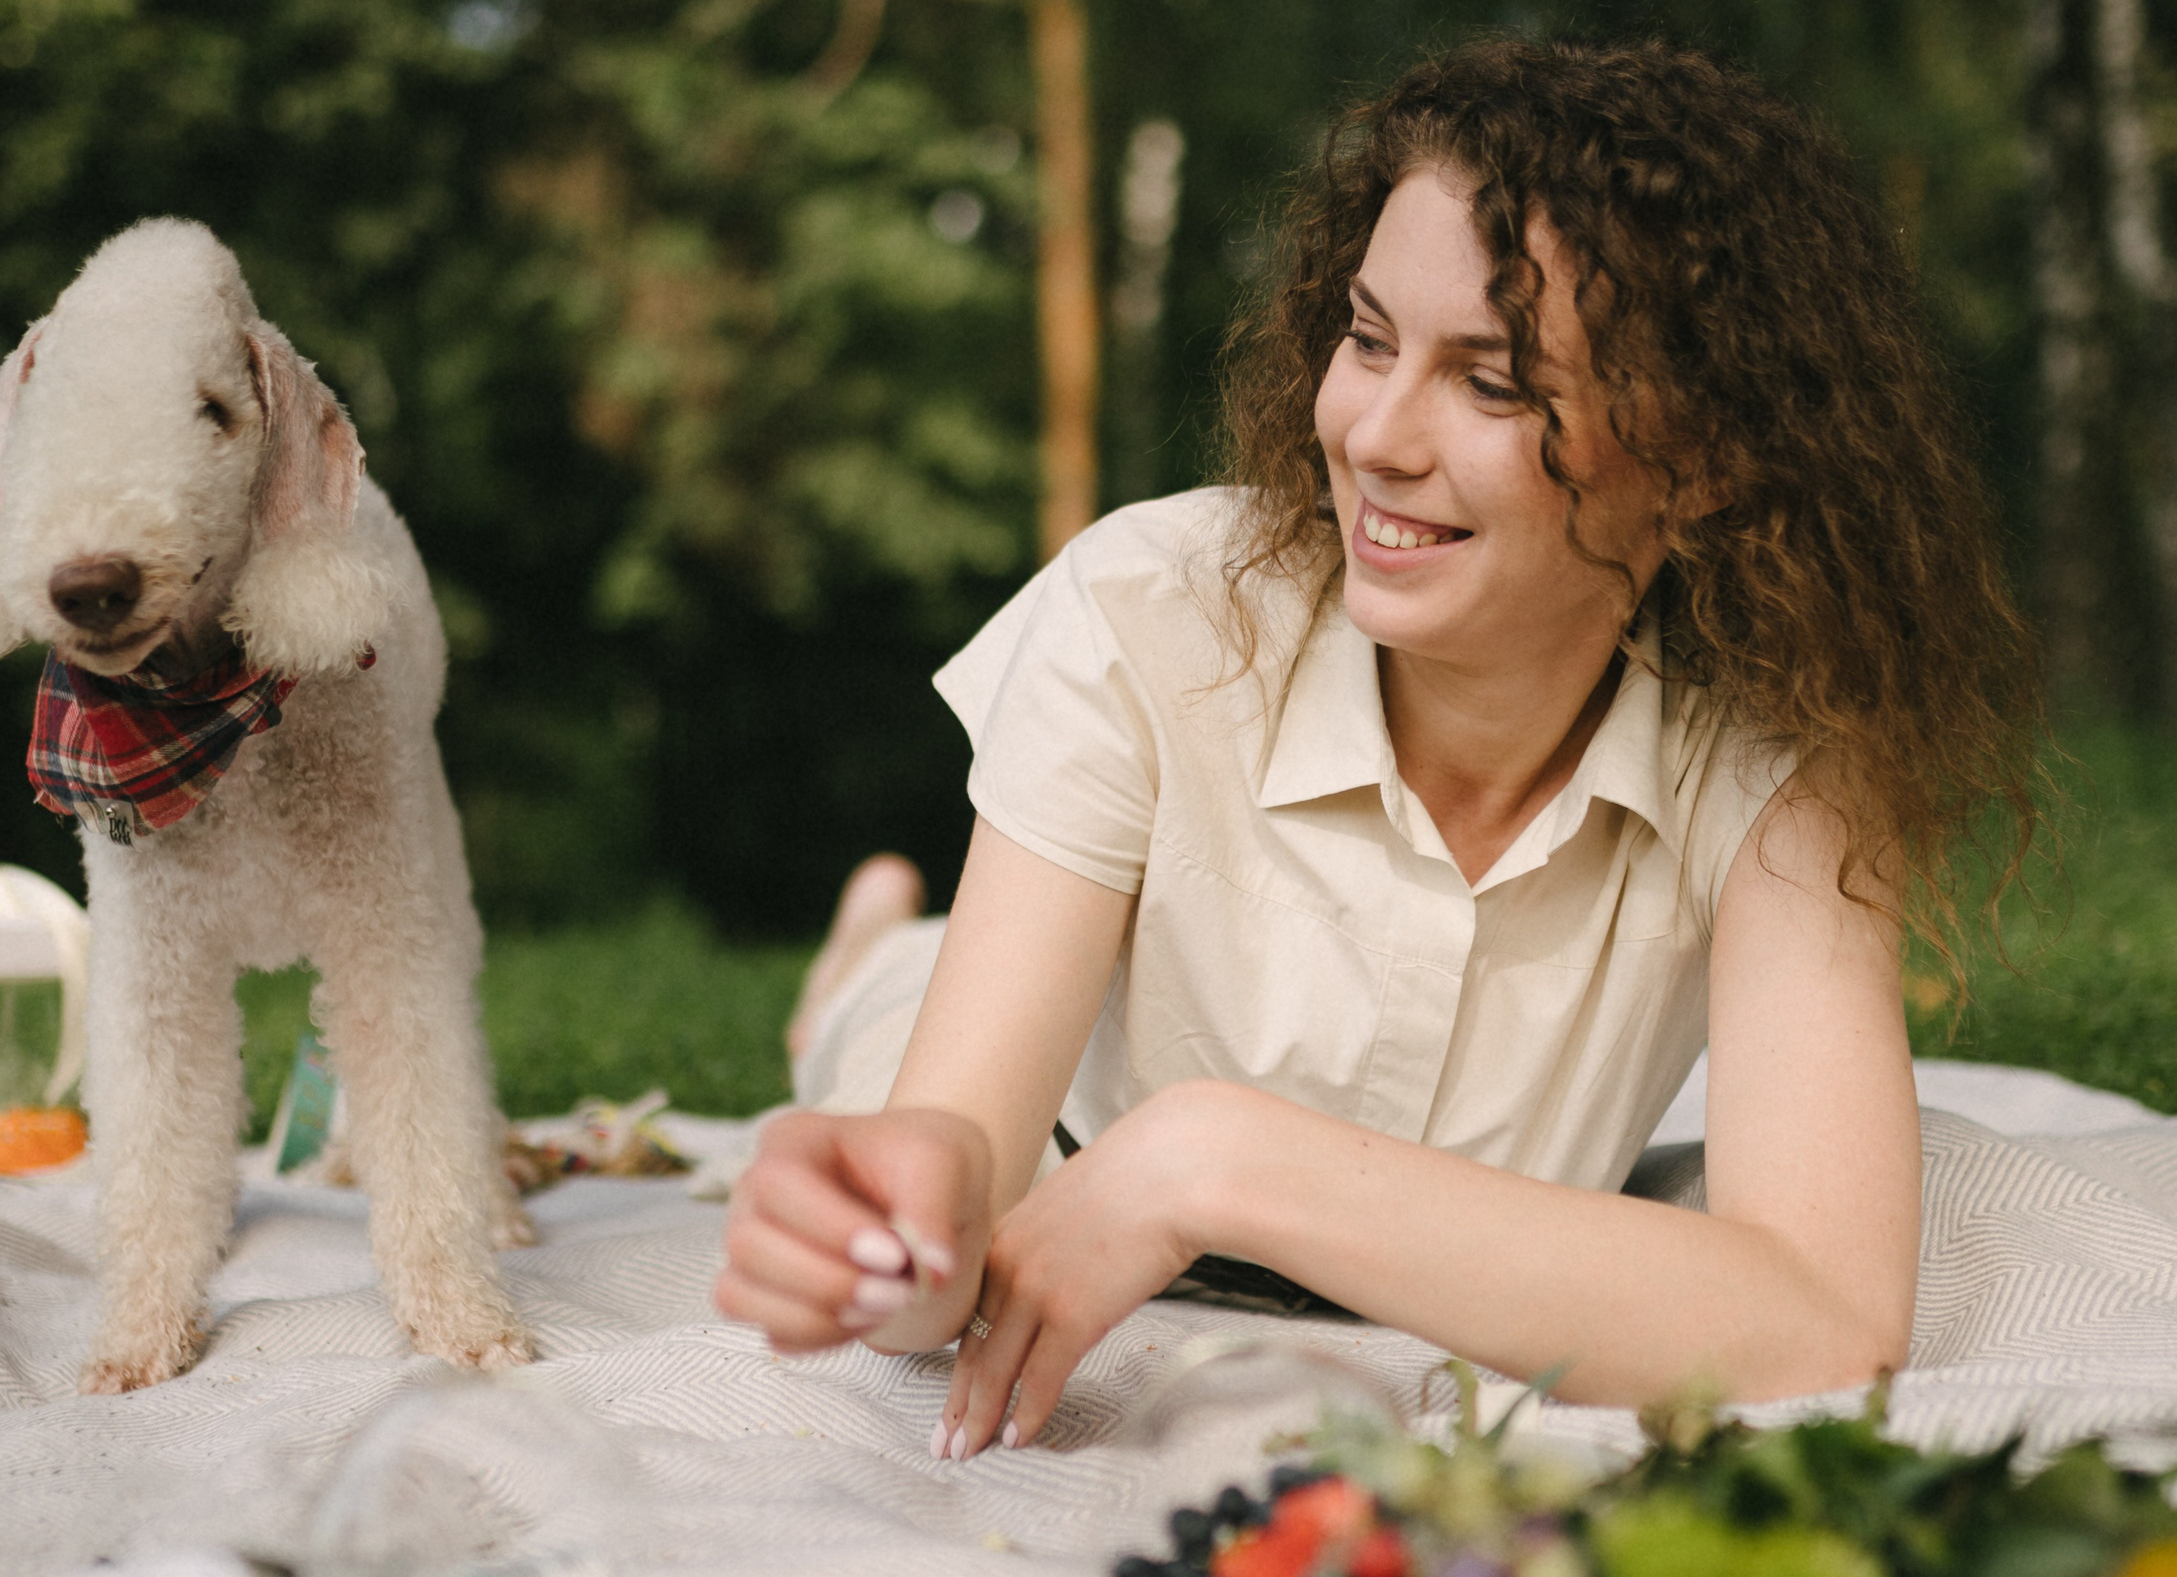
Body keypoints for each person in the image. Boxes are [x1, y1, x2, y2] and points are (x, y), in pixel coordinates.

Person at [713, 36, 2040, 1460]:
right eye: (1368, 337)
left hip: (1176, 1153)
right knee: (879, 1021)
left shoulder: (1782, 757)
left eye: (1493, 380)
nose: (1373, 435)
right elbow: (940, 1240)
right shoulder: (1149, 611)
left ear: (1706, 457)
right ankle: (862, 960)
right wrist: (899, 1229)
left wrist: (1212, 1159)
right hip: (1054, 1100)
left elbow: (1825, 1315)